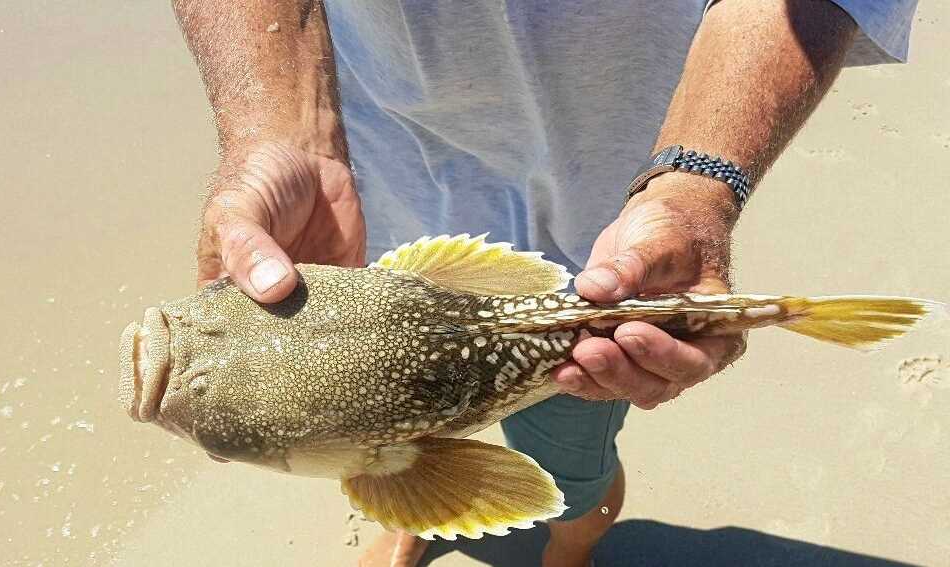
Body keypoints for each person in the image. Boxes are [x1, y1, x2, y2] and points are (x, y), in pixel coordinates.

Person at [171, 1, 916, 565]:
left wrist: (695, 184)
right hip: (358, 205)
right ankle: (405, 489)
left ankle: (570, 544)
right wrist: (281, 131)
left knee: (572, 473)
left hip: (606, 240)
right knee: (390, 442)